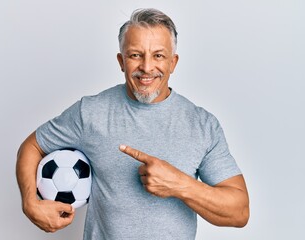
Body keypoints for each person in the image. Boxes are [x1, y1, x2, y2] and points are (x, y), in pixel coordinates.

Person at [16, 8, 249, 239]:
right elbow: (33, 146)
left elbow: (239, 212)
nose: (146, 68)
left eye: (158, 55)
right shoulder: (90, 112)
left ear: (173, 63)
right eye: (136, 55)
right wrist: (30, 202)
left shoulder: (202, 125)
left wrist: (180, 184)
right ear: (121, 61)